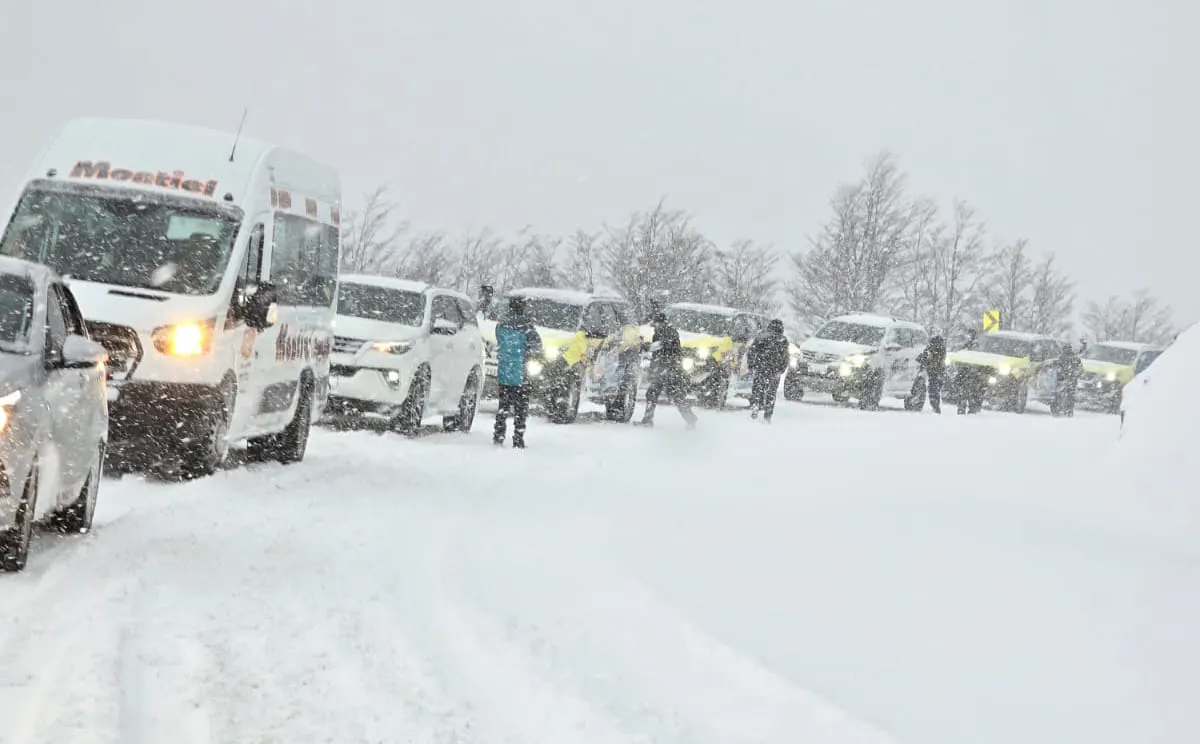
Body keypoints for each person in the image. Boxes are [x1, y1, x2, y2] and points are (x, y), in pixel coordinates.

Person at [493, 295, 543, 448]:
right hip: (521, 374)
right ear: (523, 307)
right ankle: (518, 438)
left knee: (503, 406)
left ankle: (499, 435)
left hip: (504, 372)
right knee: (521, 409)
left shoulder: (501, 325)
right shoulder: (527, 327)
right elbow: (537, 345)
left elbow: (499, 342)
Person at [637, 310, 697, 428]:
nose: (655, 326)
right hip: (663, 370)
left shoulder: (670, 332)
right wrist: (652, 368)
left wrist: (647, 347)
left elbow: (662, 345)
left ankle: (691, 420)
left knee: (676, 396)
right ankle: (647, 420)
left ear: (663, 323)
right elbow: (657, 353)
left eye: (657, 323)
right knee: (653, 393)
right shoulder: (658, 333)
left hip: (672, 370)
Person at [746, 319, 790, 421]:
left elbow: (751, 352)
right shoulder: (782, 341)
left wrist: (751, 365)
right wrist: (781, 370)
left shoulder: (761, 337)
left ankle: (755, 406)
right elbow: (785, 357)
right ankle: (768, 414)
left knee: (757, 388)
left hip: (761, 367)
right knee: (771, 393)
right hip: (774, 370)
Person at [915, 334, 947, 413]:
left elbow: (923, 358)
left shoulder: (930, 348)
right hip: (938, 371)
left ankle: (935, 405)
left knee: (933, 388)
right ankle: (936, 405)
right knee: (936, 388)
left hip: (932, 371)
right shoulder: (942, 349)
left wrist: (924, 362)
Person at [1051, 343, 1083, 417]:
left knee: (1060, 396)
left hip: (1063, 381)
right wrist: (1074, 376)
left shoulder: (1061, 358)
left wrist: (1063, 376)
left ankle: (1059, 411)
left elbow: (1056, 369)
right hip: (1071, 382)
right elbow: (1080, 370)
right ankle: (1068, 411)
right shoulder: (1075, 358)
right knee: (1069, 397)